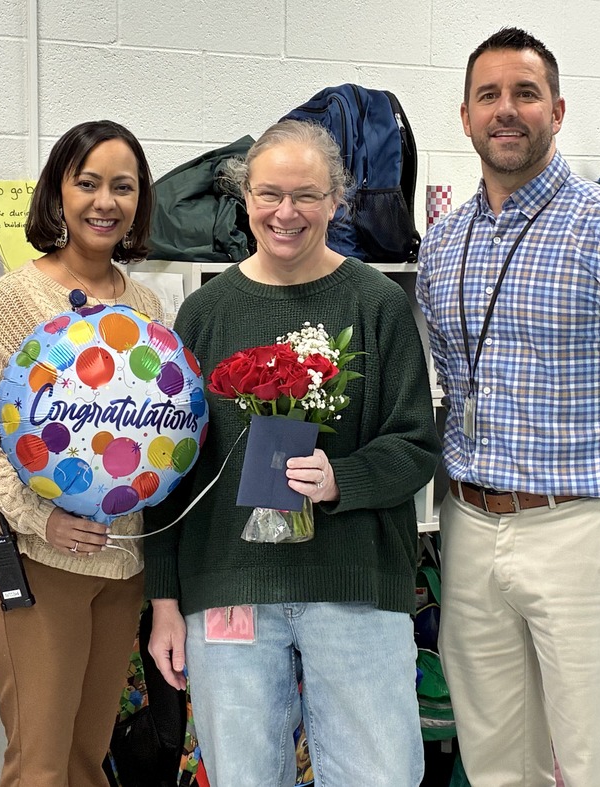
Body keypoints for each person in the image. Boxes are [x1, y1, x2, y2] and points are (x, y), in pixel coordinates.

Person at [415, 27, 600, 787]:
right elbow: (457, 384)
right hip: (471, 527)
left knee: (594, 757)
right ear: (464, 115)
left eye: (524, 93)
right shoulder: (444, 243)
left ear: (556, 108)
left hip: (581, 529)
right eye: (489, 95)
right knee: (494, 755)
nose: (506, 110)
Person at [143, 119, 440, 787]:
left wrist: (344, 478)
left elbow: (417, 442)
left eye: (306, 194)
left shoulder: (378, 305)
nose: (285, 212)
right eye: (268, 193)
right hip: (231, 587)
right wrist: (164, 596)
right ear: (244, 197)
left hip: (355, 584)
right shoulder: (204, 314)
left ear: (338, 199)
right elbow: (171, 470)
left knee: (379, 775)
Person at [0, 120, 163, 787]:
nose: (105, 201)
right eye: (88, 183)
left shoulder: (148, 303)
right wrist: (42, 519)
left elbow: (160, 430)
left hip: (121, 564)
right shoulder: (14, 301)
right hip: (33, 556)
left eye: (122, 187)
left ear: (138, 202)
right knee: (39, 764)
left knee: (86, 759)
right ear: (58, 194)